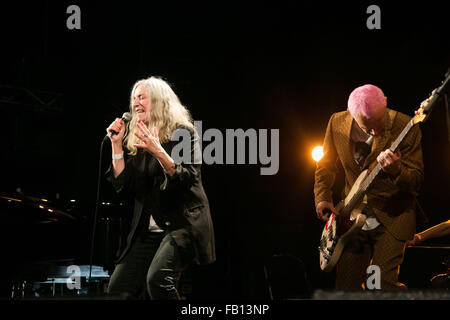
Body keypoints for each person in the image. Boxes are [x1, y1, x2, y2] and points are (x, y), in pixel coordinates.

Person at [105, 76, 215, 299]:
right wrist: (116, 146)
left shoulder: (184, 133)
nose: (136, 103)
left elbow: (189, 176)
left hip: (181, 224)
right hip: (149, 230)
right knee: (118, 288)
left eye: (142, 97)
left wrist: (159, 152)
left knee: (157, 279)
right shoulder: (138, 139)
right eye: (134, 98)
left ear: (158, 101)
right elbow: (123, 186)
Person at [314, 84, 424, 290]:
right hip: (349, 216)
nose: (375, 131)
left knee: (384, 285)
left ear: (385, 104)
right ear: (350, 113)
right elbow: (326, 165)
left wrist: (397, 171)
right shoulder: (336, 122)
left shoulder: (406, 125)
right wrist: (322, 196)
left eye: (379, 123)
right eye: (367, 127)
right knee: (346, 287)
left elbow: (416, 179)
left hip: (393, 215)